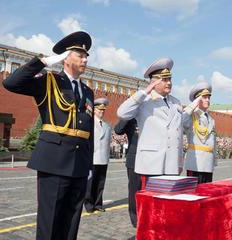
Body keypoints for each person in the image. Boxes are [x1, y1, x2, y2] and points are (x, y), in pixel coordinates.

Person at [2, 31, 93, 240]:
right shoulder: (48, 81)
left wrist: (88, 165)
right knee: (50, 220)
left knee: (72, 222)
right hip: (54, 161)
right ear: (66, 57)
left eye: (86, 55)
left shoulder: (87, 91)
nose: (85, 59)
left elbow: (89, 130)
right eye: (80, 54)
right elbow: (11, 83)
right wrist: (42, 61)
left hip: (79, 163)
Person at [117, 57, 183, 188]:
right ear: (153, 82)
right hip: (151, 163)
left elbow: (179, 135)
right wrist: (145, 91)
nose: (168, 83)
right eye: (164, 80)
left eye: (169, 79)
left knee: (167, 203)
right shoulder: (144, 101)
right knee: (150, 204)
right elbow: (122, 113)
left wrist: (179, 162)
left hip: (171, 163)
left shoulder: (176, 103)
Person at [183, 82, 216, 183]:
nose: (208, 100)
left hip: (208, 163)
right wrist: (193, 105)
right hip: (195, 163)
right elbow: (182, 120)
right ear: (197, 100)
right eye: (204, 97)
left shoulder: (211, 119)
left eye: (208, 97)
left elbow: (212, 143)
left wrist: (214, 161)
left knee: (207, 195)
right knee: (195, 195)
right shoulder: (191, 116)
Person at [84, 98, 112, 213]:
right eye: (99, 110)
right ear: (94, 110)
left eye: (103, 110)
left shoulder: (107, 126)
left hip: (103, 158)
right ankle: (89, 204)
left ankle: (98, 203)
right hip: (92, 158)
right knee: (90, 183)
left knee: (100, 183)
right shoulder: (89, 124)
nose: (102, 112)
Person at [114, 118, 141, 227]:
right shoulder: (131, 119)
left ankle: (146, 215)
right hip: (134, 159)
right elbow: (118, 129)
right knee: (134, 190)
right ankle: (135, 218)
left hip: (150, 160)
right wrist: (128, 115)